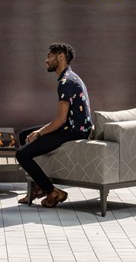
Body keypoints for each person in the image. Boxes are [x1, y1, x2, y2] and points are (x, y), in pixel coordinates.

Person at [15, 42, 93, 208]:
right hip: (71, 127)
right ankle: (39, 187)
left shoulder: (66, 82)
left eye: (50, 56)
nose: (46, 60)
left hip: (73, 131)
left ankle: (52, 192)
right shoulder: (70, 77)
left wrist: (40, 132)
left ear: (61, 56)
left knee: (22, 155)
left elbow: (61, 120)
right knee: (23, 135)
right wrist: (38, 132)